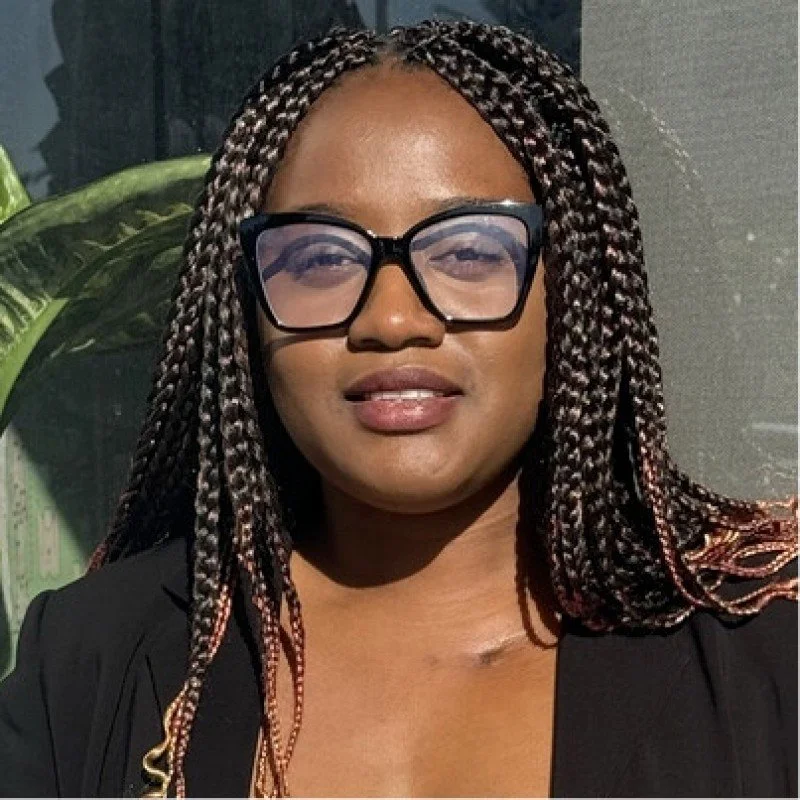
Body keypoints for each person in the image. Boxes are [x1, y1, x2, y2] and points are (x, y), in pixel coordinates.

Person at [0, 18, 797, 799]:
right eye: (319, 258)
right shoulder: (89, 662)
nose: (390, 319)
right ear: (246, 311)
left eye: (469, 251)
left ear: (574, 292)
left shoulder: (766, 650)